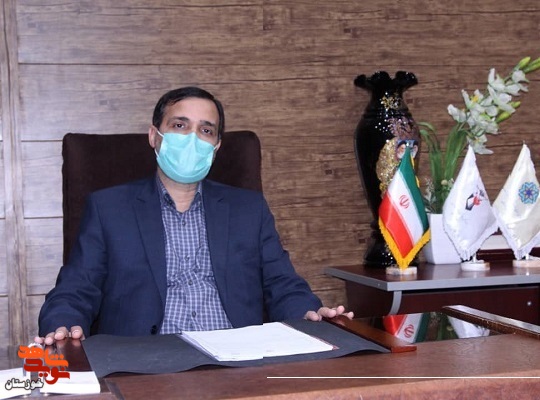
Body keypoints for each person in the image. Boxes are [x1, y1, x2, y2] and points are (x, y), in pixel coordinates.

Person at [35, 86, 352, 345]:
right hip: (146, 362)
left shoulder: (248, 209)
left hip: (239, 356)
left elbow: (282, 284)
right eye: (179, 125)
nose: (192, 138)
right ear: (154, 136)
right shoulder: (109, 208)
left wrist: (310, 314)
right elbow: (76, 288)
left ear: (216, 146)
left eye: (206, 130)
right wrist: (63, 325)